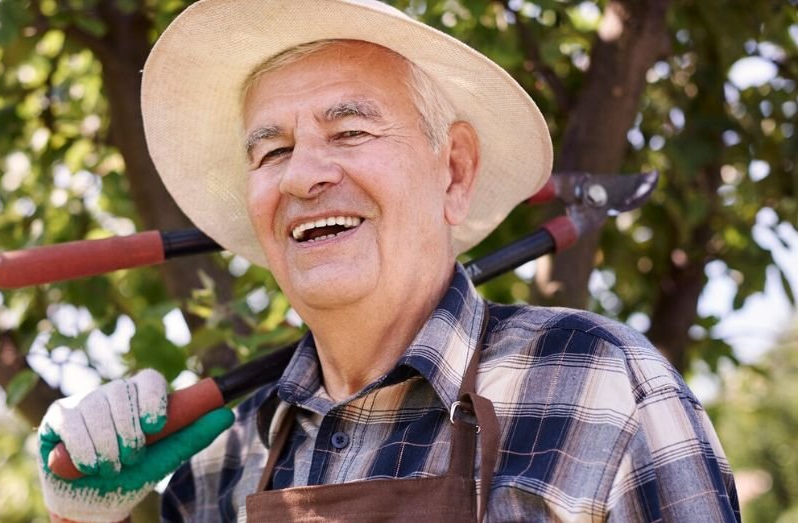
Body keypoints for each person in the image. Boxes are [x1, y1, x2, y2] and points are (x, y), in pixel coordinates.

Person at [36, 0, 740, 521]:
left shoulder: (602, 385)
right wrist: (75, 518)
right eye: (272, 150)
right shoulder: (224, 465)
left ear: (454, 171)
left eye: (349, 129)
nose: (301, 175)